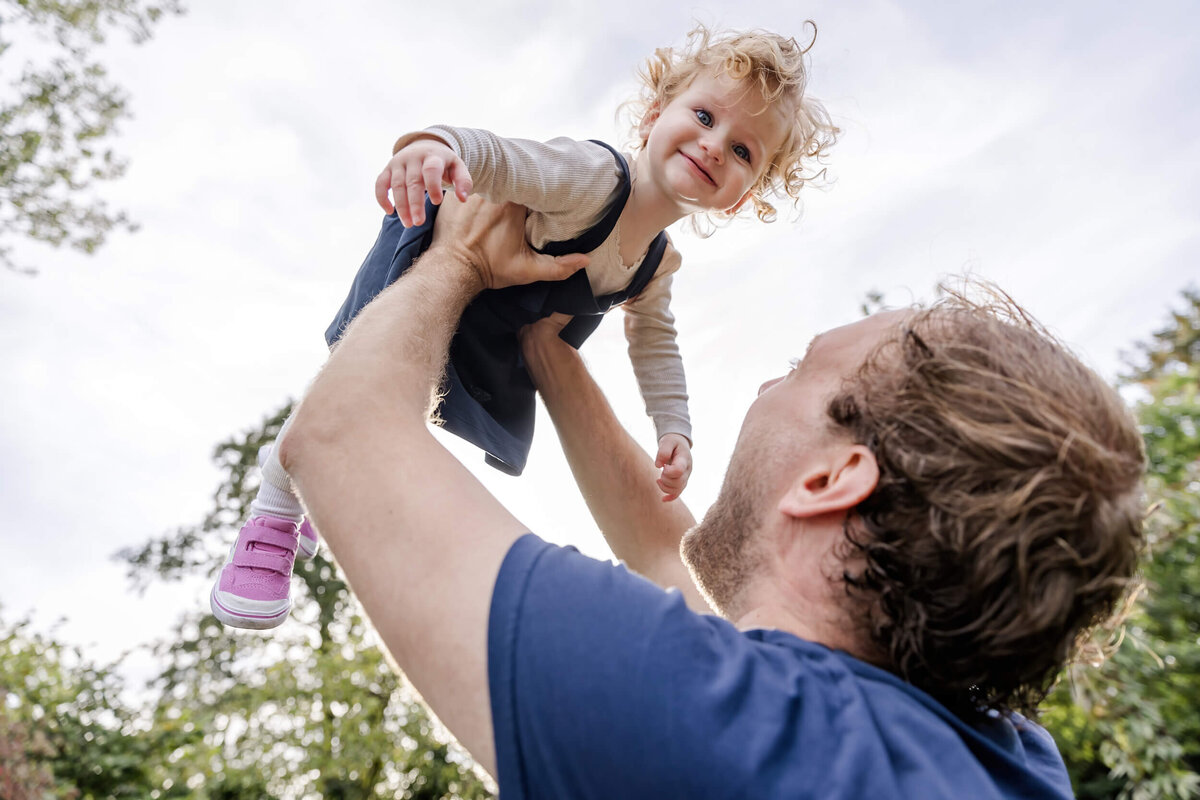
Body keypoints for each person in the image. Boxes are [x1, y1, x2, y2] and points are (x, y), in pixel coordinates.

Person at [277, 194, 1147, 799]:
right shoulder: (1003, 761)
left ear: (833, 481)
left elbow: (341, 437)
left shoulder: (738, 741)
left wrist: (459, 258)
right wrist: (544, 340)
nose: (768, 385)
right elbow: (665, 550)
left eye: (799, 372)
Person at [210, 23, 838, 630]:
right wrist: (434, 146)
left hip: (490, 329)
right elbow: (506, 158)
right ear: (655, 115)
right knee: (355, 380)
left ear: (743, 194)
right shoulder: (594, 179)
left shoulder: (658, 261)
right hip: (438, 263)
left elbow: (656, 342)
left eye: (741, 150)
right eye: (705, 116)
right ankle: (270, 517)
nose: (713, 144)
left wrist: (673, 428)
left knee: (407, 412)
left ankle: (321, 493)